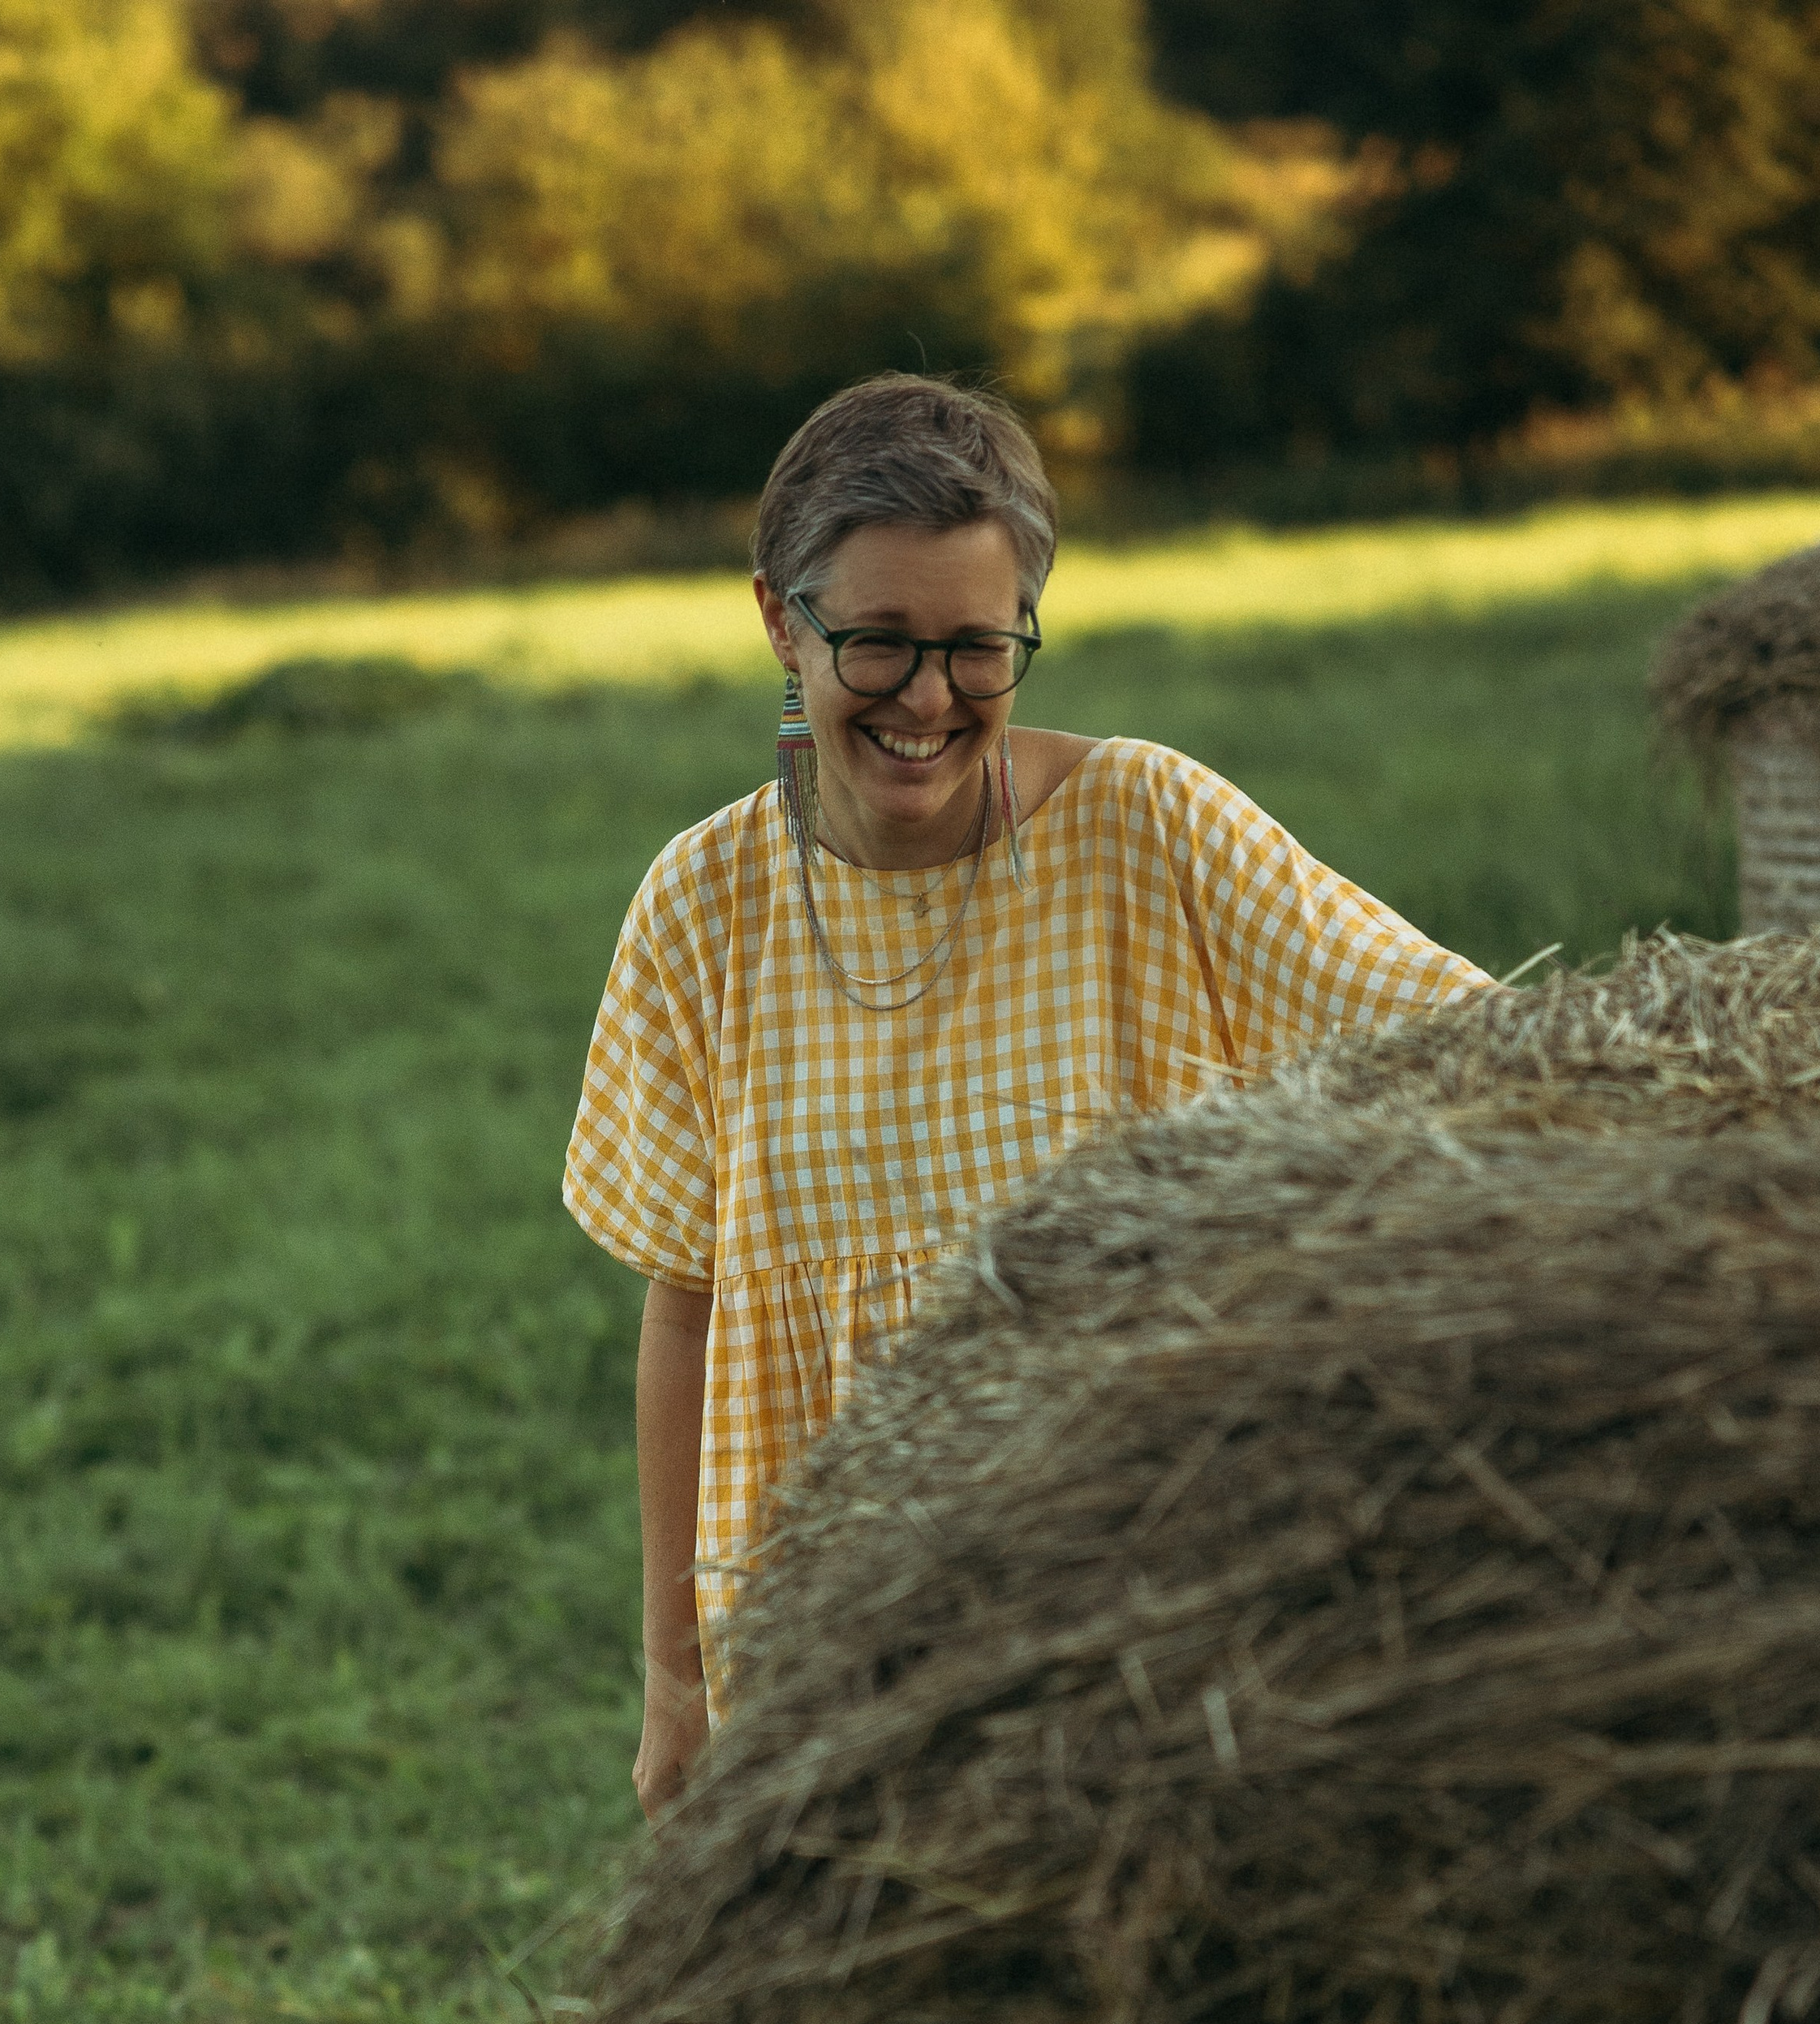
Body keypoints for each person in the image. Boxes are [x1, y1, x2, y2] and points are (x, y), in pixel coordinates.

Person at [565, 373, 1491, 1817]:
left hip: (1135, 1627)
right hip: (822, 1635)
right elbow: (687, 1307)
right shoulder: (700, 906)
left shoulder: (1152, 832)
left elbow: (1487, 1054)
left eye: (979, 649)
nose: (930, 698)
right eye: (879, 642)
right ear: (779, 624)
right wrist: (676, 1678)